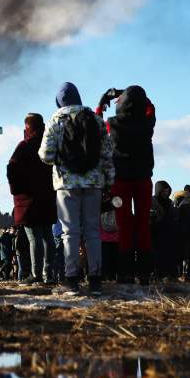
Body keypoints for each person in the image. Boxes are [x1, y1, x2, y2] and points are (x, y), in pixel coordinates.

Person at [39, 82, 114, 296]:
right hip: (93, 182)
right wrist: (108, 180)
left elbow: (45, 155)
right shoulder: (95, 119)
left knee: (69, 231)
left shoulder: (56, 120)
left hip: (66, 183)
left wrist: (61, 160)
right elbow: (107, 154)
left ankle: (71, 281)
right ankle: (95, 280)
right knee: (93, 231)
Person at [103, 86, 156, 284]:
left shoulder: (112, 124)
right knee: (143, 223)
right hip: (143, 179)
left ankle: (124, 272)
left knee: (124, 224)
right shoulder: (147, 124)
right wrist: (138, 96)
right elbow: (151, 108)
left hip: (120, 181)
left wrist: (103, 102)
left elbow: (97, 120)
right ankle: (144, 273)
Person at [7, 113, 58, 284]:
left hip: (29, 200)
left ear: (27, 127)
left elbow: (11, 168)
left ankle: (36, 274)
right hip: (48, 196)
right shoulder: (49, 143)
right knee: (48, 236)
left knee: (34, 237)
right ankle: (48, 273)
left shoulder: (24, 146)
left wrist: (17, 191)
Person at [151, 181, 178, 281]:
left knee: (169, 254)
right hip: (156, 232)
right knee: (157, 255)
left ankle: (169, 275)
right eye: (163, 191)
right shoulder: (153, 201)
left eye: (167, 191)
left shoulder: (170, 203)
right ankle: (157, 275)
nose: (165, 193)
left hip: (168, 232)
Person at [177, 185, 190, 282]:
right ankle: (188, 276)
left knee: (182, 255)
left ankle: (182, 275)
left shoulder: (180, 201)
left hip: (182, 232)